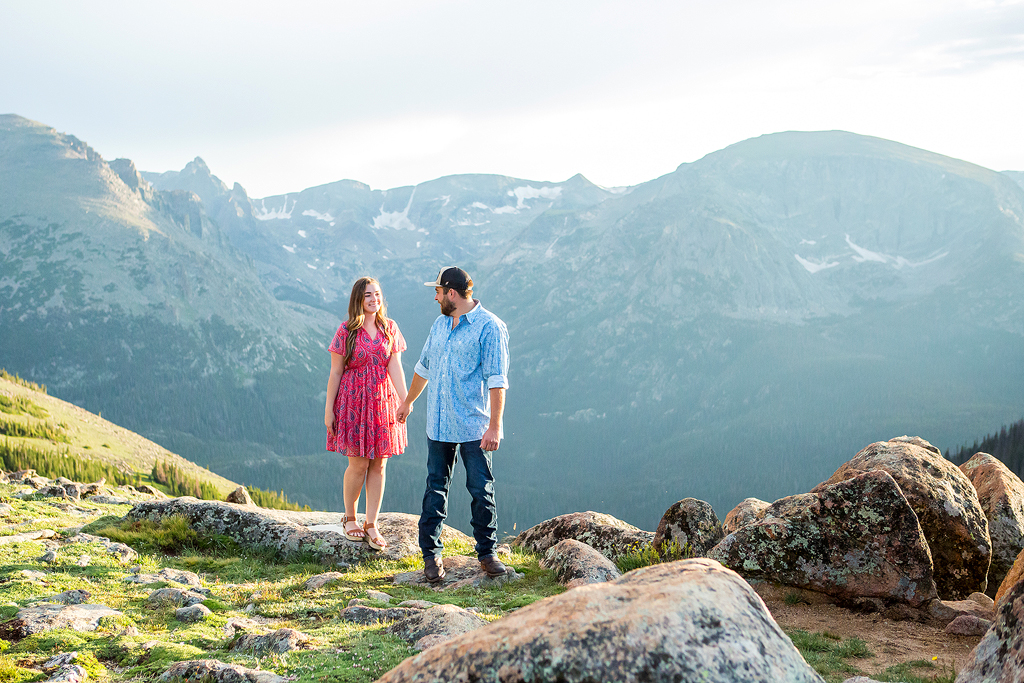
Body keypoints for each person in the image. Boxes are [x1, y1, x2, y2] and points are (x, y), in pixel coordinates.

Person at [397, 266, 510, 583]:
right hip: (439, 424)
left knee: (481, 490)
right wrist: (408, 402)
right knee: (435, 491)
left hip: (475, 425)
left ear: (451, 293)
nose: (434, 297)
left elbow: (497, 381)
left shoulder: (490, 327)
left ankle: (487, 554)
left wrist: (495, 426)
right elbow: (424, 367)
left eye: (437, 291)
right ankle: (431, 557)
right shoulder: (440, 324)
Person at [324, 276, 408, 551]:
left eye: (378, 294)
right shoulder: (346, 331)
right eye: (368, 295)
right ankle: (350, 517)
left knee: (380, 464)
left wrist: (405, 400)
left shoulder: (389, 328)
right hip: (353, 403)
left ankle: (372, 524)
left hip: (383, 402)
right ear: (358, 299)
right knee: (358, 464)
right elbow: (336, 372)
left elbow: (395, 366)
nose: (374, 299)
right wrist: (329, 409)